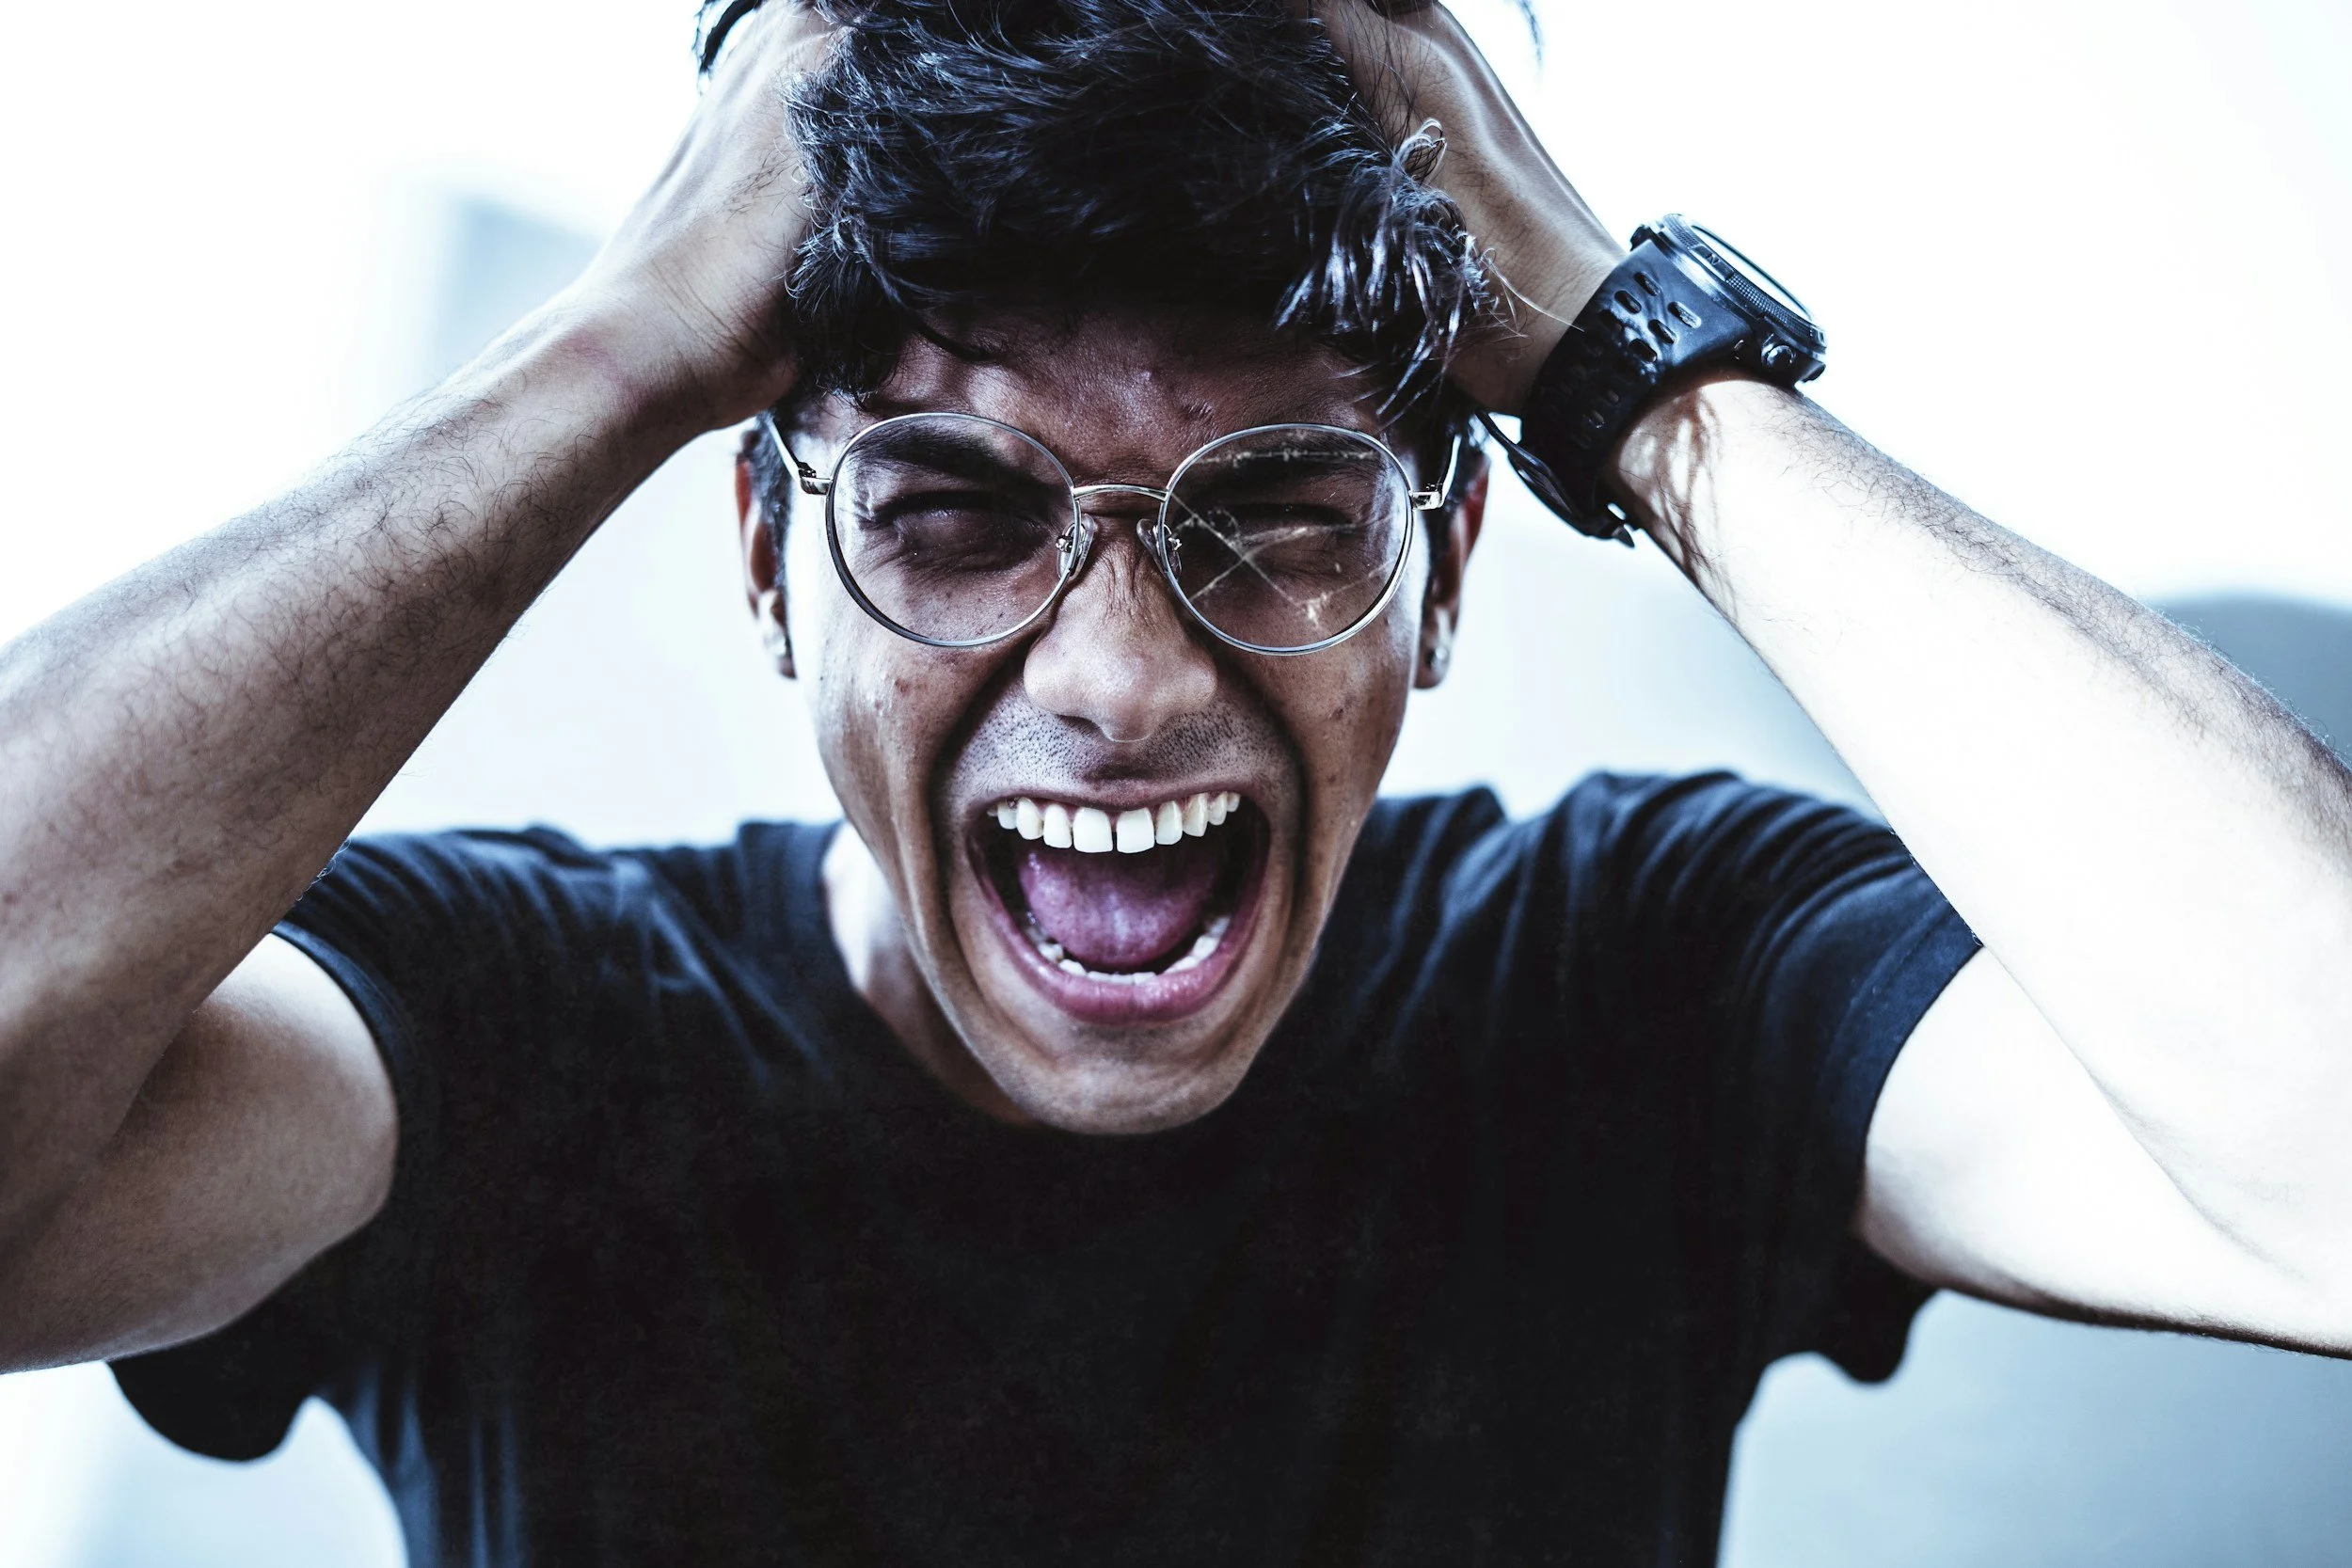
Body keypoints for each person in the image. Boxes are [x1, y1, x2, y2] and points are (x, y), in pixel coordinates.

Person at [1, 0, 2347, 1561]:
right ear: (769, 558)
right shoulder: (492, 1029)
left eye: (1284, 515)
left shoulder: (1654, 974)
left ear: (1437, 565)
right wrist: (614, 351)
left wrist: (1612, 343)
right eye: (949, 507)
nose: (1123, 679)